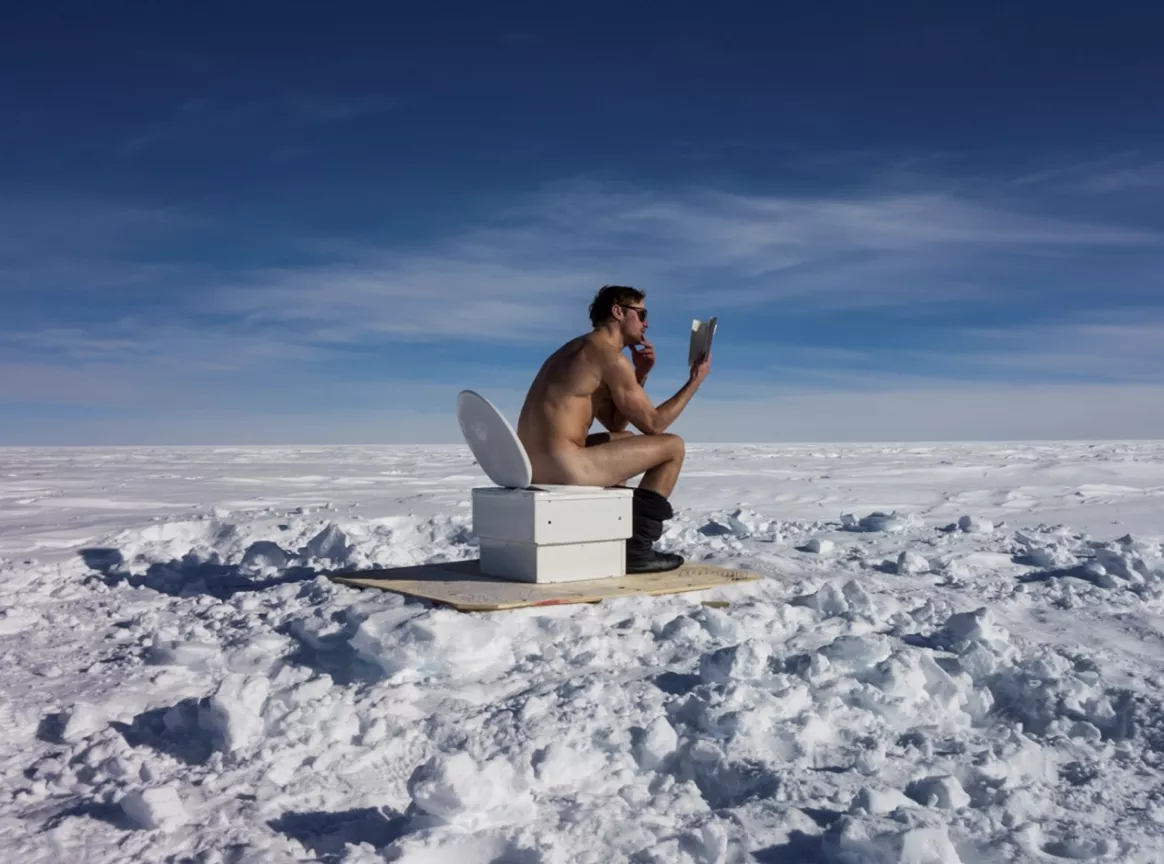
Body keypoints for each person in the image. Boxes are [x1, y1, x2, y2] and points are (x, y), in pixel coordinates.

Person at [516, 285, 712, 573]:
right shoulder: (609, 357)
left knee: (623, 438)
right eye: (642, 314)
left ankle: (611, 536)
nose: (647, 323)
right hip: (564, 466)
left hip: (532, 465)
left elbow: (615, 422)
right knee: (673, 446)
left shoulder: (575, 349)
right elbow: (654, 424)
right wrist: (695, 380)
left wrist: (640, 373)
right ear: (618, 312)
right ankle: (636, 549)